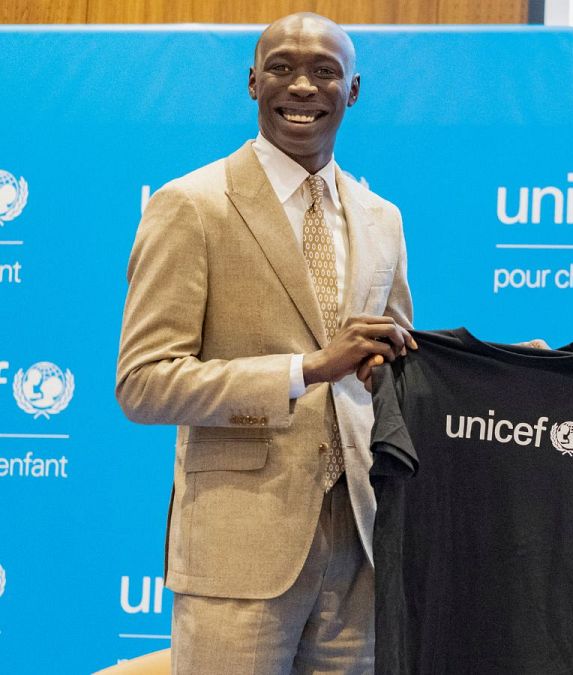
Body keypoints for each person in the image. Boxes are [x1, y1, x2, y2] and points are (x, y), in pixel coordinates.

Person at [115, 13, 414, 673]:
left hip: (361, 545)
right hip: (239, 549)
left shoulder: (383, 219)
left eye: (324, 71)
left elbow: (394, 371)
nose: (302, 86)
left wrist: (498, 372)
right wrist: (306, 369)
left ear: (353, 90)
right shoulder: (191, 205)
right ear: (253, 82)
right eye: (282, 68)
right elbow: (143, 382)